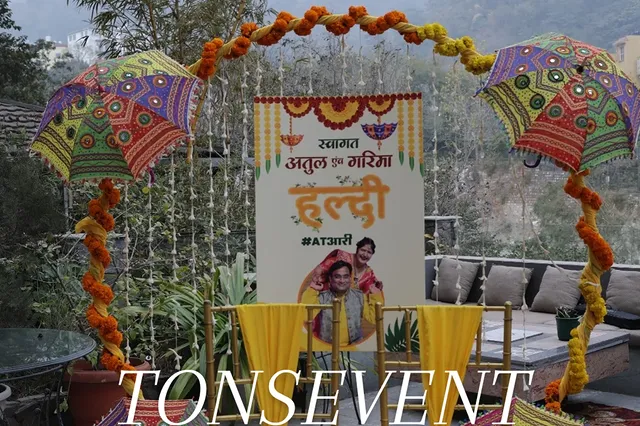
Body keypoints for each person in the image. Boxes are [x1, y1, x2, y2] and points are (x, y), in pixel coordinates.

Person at [301, 260, 383, 346]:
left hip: (355, 347)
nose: (342, 281)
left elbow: (373, 318)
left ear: (350, 278)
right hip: (327, 347)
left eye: (346, 277)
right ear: (330, 279)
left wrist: (376, 296)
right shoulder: (322, 297)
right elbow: (306, 316)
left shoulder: (359, 296)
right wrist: (312, 289)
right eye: (337, 277)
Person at [309, 237, 383, 295]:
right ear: (357, 249)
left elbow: (368, 293)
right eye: (363, 250)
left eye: (369, 252)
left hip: (350, 306)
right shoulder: (343, 257)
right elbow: (319, 270)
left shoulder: (369, 274)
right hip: (328, 299)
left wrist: (377, 287)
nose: (365, 255)